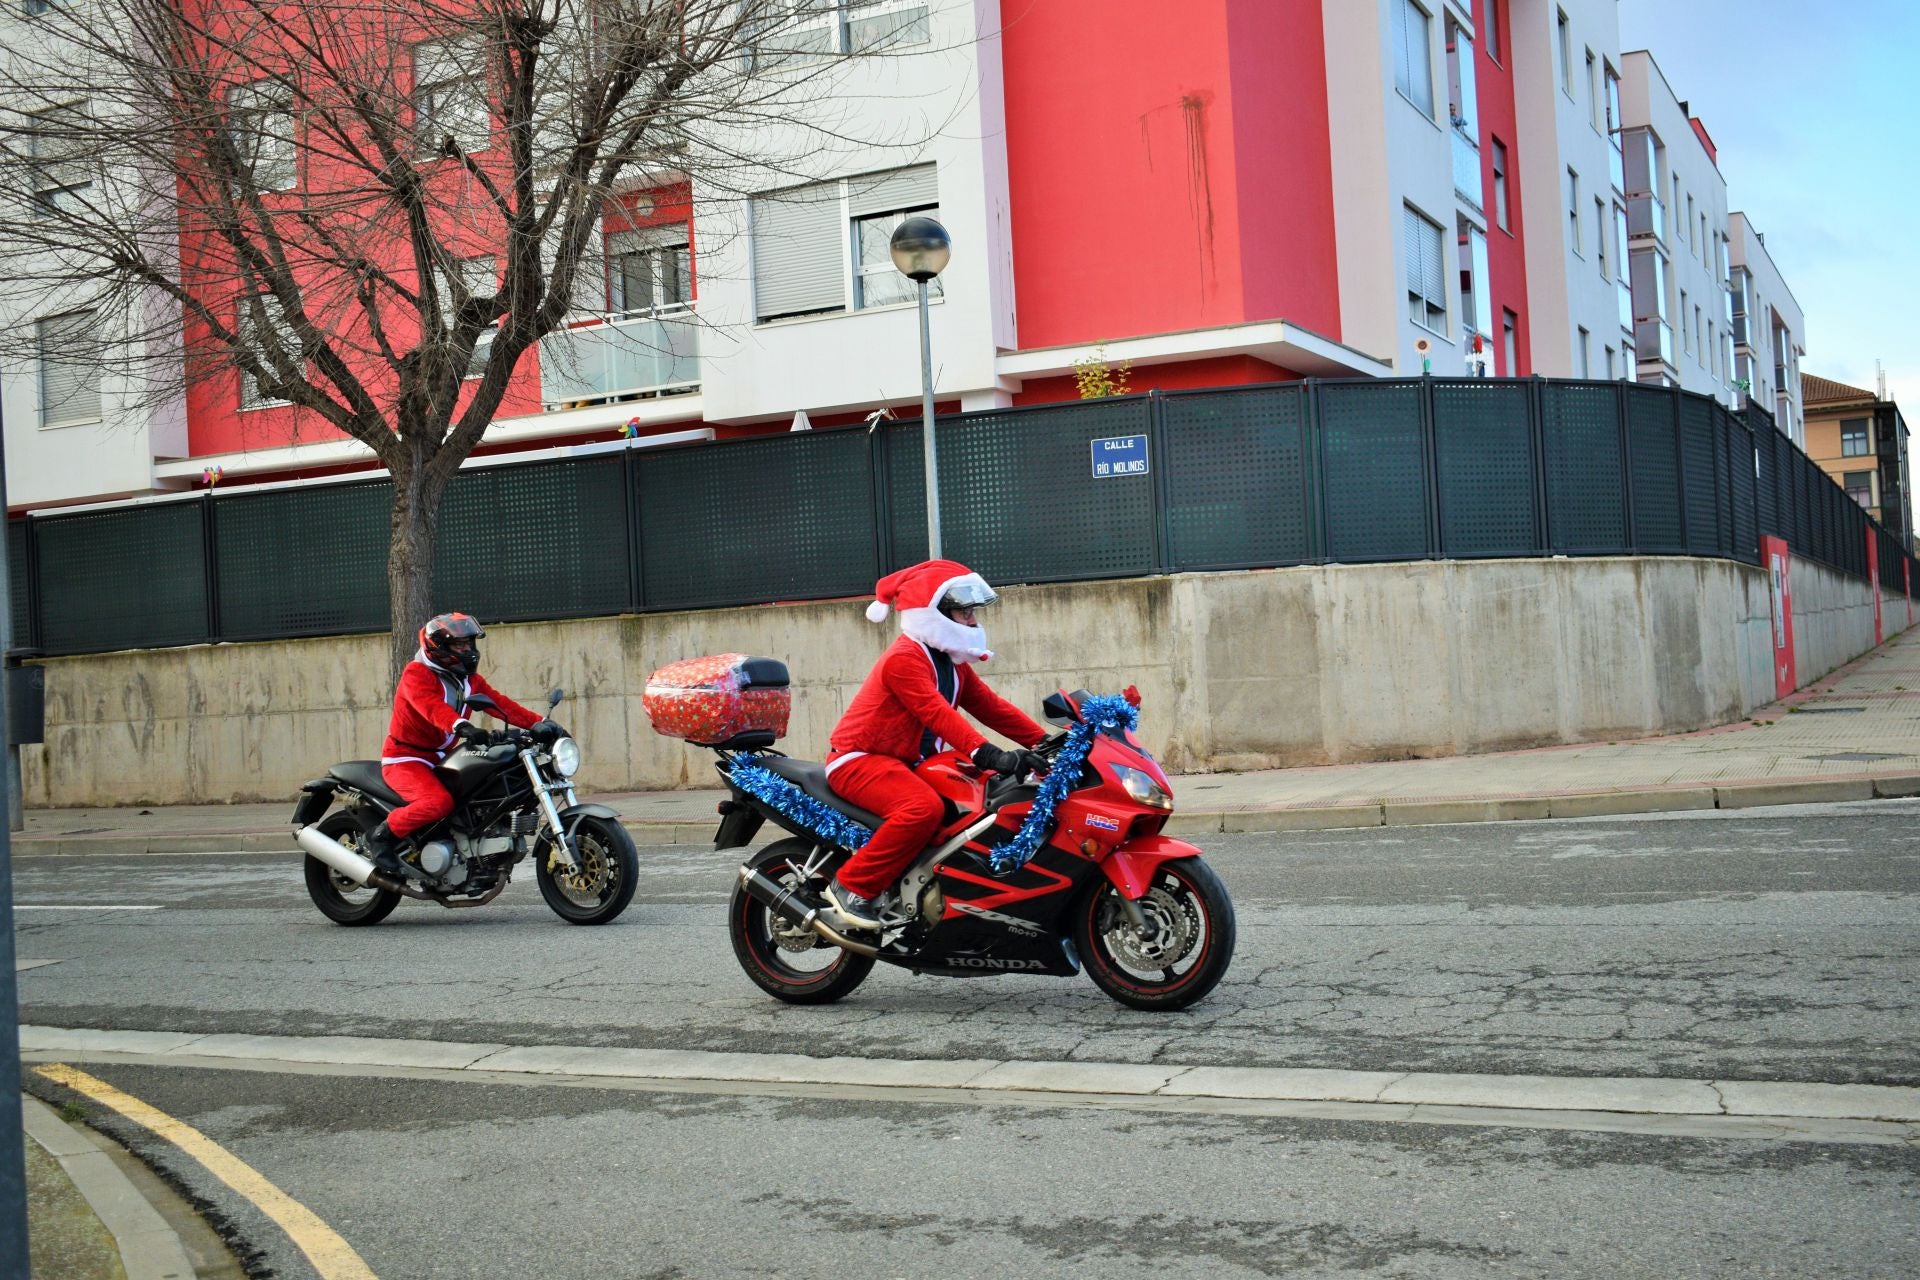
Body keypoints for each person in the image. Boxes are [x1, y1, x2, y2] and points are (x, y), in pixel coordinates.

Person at [821, 560, 1049, 931]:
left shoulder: (952, 661)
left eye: (973, 612)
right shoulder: (904, 659)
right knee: (921, 809)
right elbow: (937, 713)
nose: (973, 620)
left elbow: (992, 707)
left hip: (910, 762)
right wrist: (991, 754)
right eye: (963, 611)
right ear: (936, 612)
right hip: (860, 759)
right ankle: (851, 887)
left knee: (985, 798)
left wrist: (1049, 743)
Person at [363, 613, 562, 872]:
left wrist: (539, 725)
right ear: (439, 647)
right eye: (459, 645)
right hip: (406, 758)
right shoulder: (417, 673)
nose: (467, 650)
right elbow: (430, 707)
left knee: (478, 794)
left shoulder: (468, 680)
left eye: (469, 644)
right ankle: (380, 837)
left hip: (442, 757)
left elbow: (500, 704)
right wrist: (462, 725)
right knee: (438, 803)